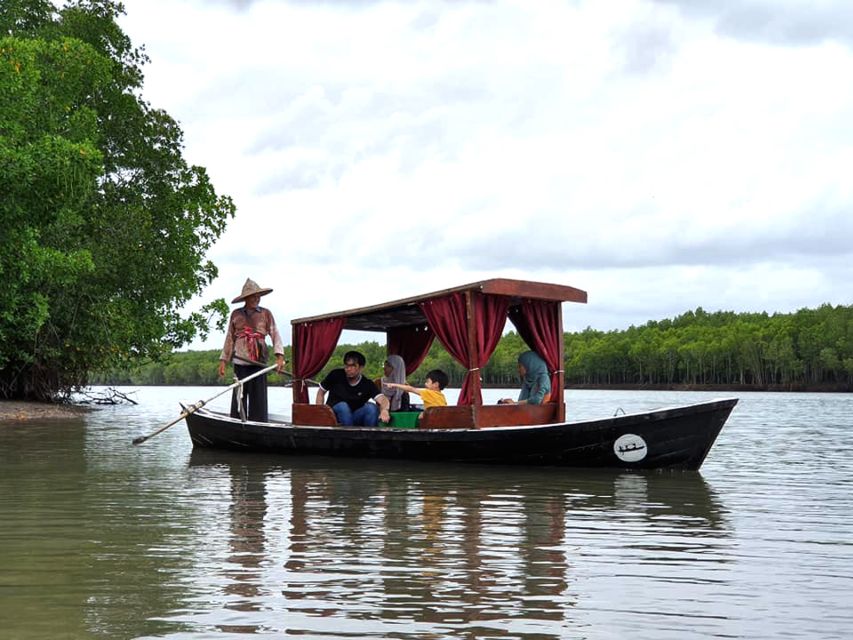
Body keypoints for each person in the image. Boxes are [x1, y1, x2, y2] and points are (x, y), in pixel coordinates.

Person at [218, 278, 285, 421]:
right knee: (239, 396)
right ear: (246, 298)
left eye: (258, 296)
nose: (257, 299)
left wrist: (279, 357)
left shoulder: (266, 313)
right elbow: (230, 337)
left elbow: (275, 333)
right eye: (254, 296)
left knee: (258, 398)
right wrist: (223, 361)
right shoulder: (236, 314)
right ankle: (236, 421)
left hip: (259, 361)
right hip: (240, 359)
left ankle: (259, 422)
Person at [316, 351, 391, 426]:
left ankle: (368, 436)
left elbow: (383, 399)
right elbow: (321, 393)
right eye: (346, 366)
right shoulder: (335, 375)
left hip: (354, 417)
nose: (348, 369)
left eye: (353, 366)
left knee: (371, 407)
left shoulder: (367, 384)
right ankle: (349, 436)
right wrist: (320, 414)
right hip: (334, 418)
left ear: (361, 368)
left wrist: (384, 410)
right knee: (343, 406)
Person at [383, 369, 449, 410]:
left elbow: (411, 389)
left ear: (436, 384)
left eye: (428, 382)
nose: (425, 384)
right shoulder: (441, 396)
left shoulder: (429, 393)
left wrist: (394, 385)